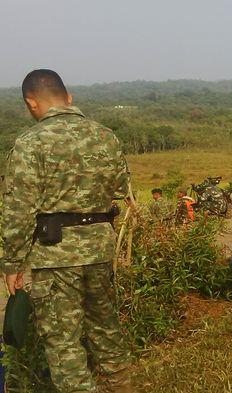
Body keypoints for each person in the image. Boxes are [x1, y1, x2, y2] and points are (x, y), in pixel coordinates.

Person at [1, 69, 133, 392]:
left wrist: (11, 264)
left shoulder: (30, 144)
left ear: (31, 103)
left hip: (55, 256)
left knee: (64, 346)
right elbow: (120, 187)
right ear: (68, 98)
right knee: (106, 331)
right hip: (100, 251)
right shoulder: (106, 136)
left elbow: (18, 211)